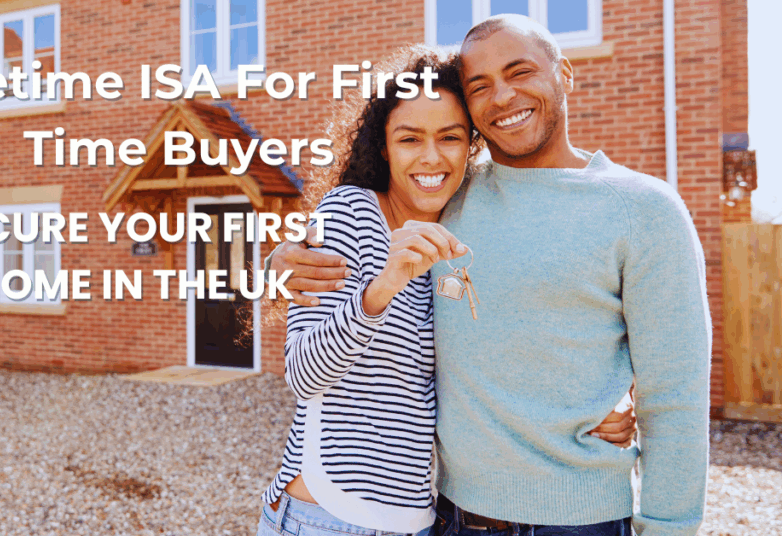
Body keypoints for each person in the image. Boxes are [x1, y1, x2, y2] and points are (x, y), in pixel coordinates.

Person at [269, 15, 711, 536]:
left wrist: (666, 524)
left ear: (564, 73)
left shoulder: (644, 209)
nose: (502, 97)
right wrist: (281, 258)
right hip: (454, 517)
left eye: (519, 72)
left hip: (580, 521)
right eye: (480, 85)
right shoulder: (448, 195)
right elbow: (361, 231)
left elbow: (675, 395)